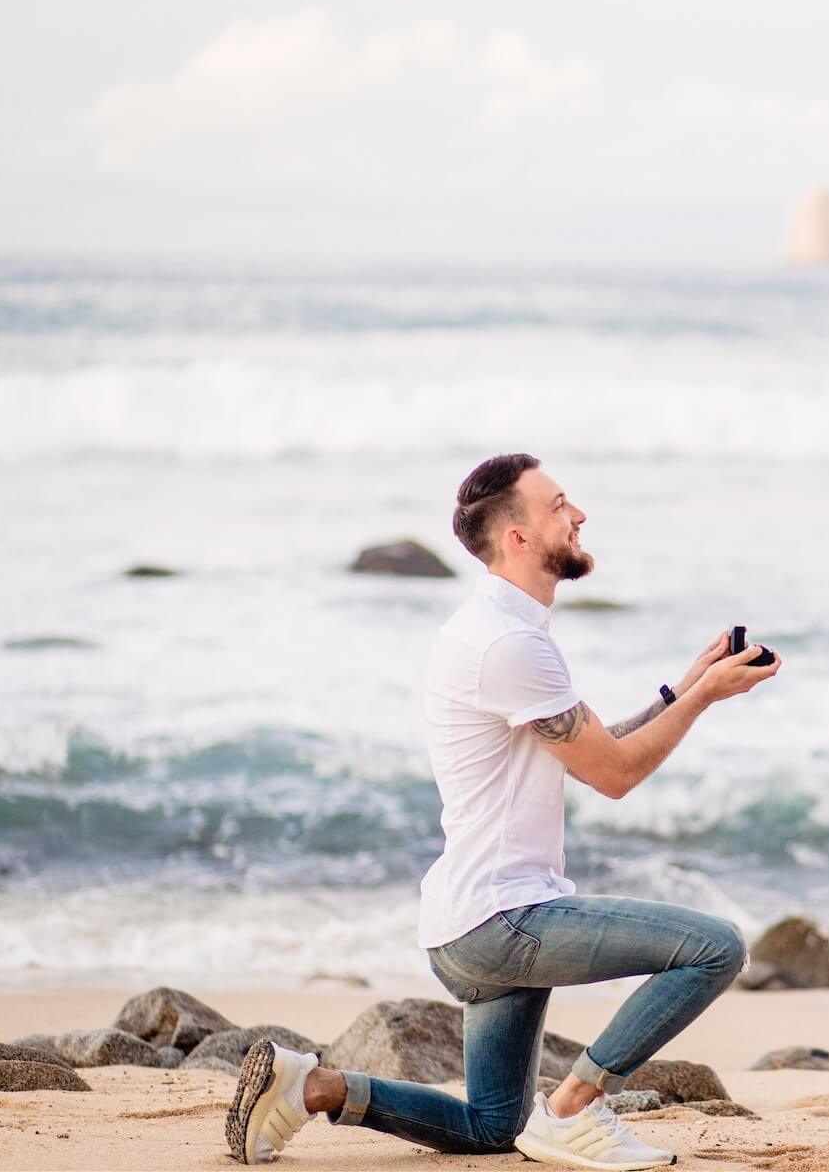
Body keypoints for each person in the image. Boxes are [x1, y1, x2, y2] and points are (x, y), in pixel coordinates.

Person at [227, 452, 780, 1168]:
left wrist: (682, 689)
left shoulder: (499, 630)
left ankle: (315, 1087)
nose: (577, 515)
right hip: (504, 920)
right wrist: (706, 700)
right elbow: (614, 777)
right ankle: (574, 1109)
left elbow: (590, 752)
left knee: (492, 1128)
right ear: (517, 537)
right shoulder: (509, 643)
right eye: (558, 505)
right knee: (715, 948)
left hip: (473, 923)